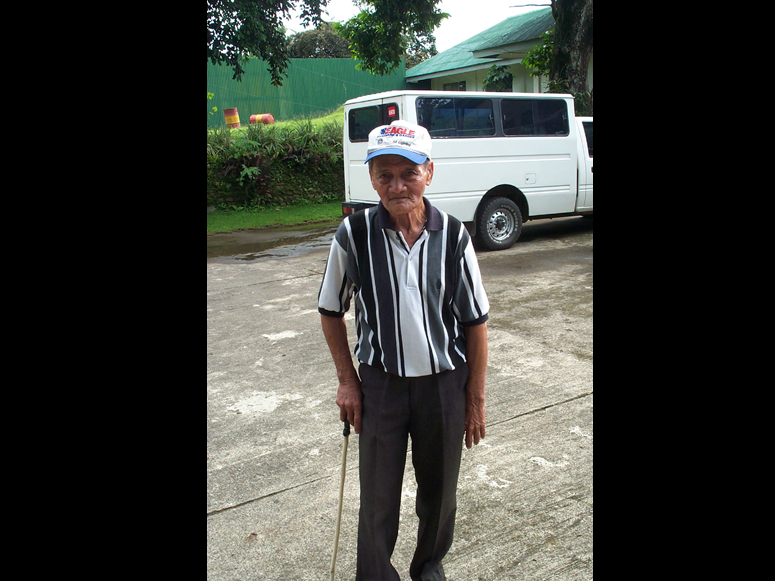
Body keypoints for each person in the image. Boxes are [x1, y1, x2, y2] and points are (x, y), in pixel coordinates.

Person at [318, 120, 489, 581]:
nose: (397, 186)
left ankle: (428, 569)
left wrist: (474, 399)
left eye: (408, 173)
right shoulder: (352, 236)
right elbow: (330, 310)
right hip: (381, 387)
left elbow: (475, 322)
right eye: (384, 175)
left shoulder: (454, 236)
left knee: (439, 495)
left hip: (443, 385)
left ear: (428, 172)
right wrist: (347, 382)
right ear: (371, 177)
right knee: (377, 499)